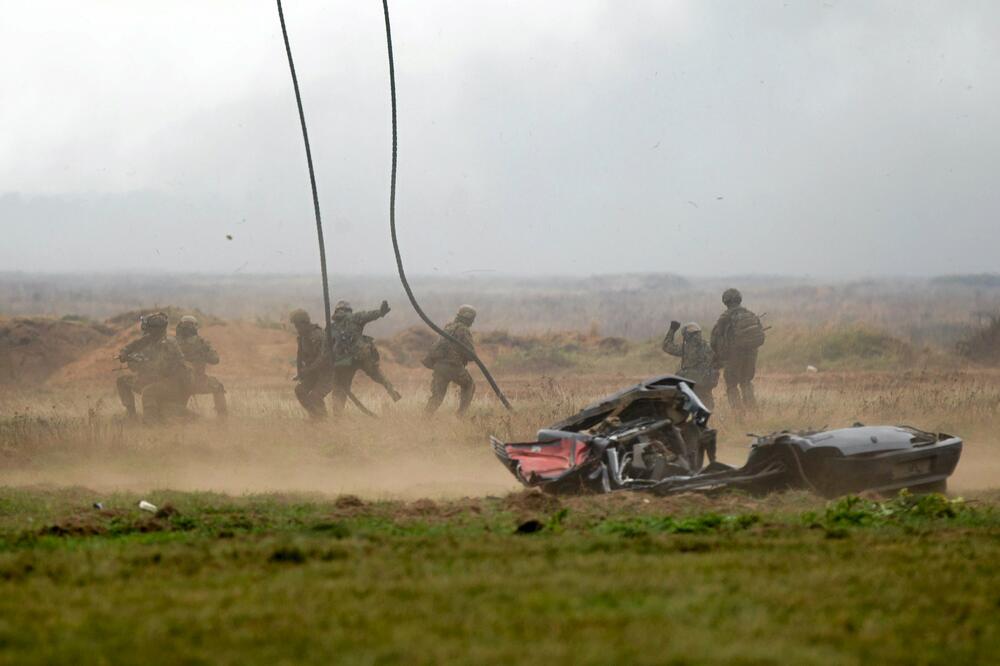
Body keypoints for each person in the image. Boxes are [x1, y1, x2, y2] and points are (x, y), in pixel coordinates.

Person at [115, 312, 191, 422]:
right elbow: (132, 346)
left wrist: (140, 361)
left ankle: (151, 423)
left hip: (171, 384)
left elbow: (163, 368)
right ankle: (131, 414)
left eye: (150, 327)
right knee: (122, 381)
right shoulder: (149, 339)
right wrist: (124, 353)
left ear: (155, 329)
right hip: (156, 380)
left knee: (148, 392)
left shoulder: (168, 343)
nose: (147, 329)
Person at [328, 300, 401, 407]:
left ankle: (337, 416)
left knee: (339, 389)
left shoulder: (331, 328)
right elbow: (368, 315)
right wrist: (380, 312)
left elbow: (326, 348)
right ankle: (392, 390)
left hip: (344, 362)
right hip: (362, 355)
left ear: (336, 311)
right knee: (377, 375)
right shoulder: (354, 317)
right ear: (349, 310)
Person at [710, 288, 765, 411]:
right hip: (751, 354)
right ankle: (753, 412)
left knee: (732, 385)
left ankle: (738, 416)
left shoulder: (725, 317)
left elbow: (715, 339)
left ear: (726, 301)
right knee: (746, 382)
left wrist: (715, 358)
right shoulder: (750, 314)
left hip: (733, 356)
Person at [423, 305, 477, 416]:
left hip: (439, 366)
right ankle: (461, 415)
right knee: (469, 385)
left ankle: (425, 418)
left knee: (437, 397)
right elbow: (471, 355)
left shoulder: (448, 327)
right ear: (469, 318)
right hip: (453, 367)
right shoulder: (464, 330)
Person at [175, 315, 227, 418]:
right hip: (197, 381)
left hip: (177, 382)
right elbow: (215, 359)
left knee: (179, 407)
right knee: (218, 386)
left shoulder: (173, 342)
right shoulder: (201, 343)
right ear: (194, 328)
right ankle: (222, 419)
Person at [290, 309, 336, 419]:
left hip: (328, 373)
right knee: (300, 390)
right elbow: (299, 356)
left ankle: (322, 419)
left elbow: (323, 358)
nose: (297, 329)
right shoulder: (302, 337)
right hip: (314, 373)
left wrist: (308, 370)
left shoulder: (318, 336)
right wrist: (300, 373)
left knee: (315, 397)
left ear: (304, 323)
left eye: (298, 326)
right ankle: (315, 416)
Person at [662, 320, 718, 410]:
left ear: (687, 335)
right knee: (708, 406)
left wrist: (672, 330)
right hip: (706, 382)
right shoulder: (708, 346)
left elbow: (667, 346)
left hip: (692, 383)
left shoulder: (686, 348)